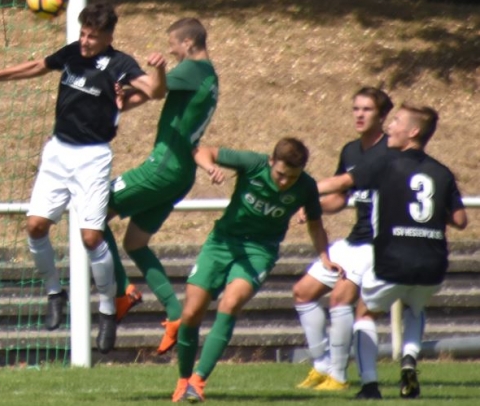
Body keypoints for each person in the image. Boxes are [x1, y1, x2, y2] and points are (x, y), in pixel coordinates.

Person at [0, 2, 165, 353]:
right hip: (58, 152)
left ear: (108, 37)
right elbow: (37, 66)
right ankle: (55, 293)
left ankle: (108, 308)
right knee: (35, 226)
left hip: (93, 158)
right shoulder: (73, 53)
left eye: (93, 36)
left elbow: (155, 91)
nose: (85, 41)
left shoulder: (120, 64)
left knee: (91, 237)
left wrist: (159, 71)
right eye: (83, 33)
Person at [171, 138, 342, 403]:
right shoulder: (253, 164)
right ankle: (183, 380)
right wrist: (210, 168)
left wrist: (324, 257)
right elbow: (203, 151)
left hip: (260, 251)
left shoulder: (306, 186)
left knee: (231, 303)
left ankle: (198, 381)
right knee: (191, 312)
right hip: (221, 242)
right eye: (281, 174)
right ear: (271, 161)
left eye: (292, 177)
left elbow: (315, 224)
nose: (285, 182)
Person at [318, 104, 467, 400]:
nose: (389, 126)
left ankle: (370, 385)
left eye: (396, 121)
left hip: (392, 260)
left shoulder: (385, 162)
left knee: (365, 313)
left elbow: (341, 183)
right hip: (433, 263)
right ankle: (409, 360)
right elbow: (461, 220)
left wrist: (295, 189)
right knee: (415, 308)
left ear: (413, 132)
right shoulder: (442, 172)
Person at [103, 17, 219, 355]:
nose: (172, 51)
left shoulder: (193, 69)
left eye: (173, 46)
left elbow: (156, 88)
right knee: (135, 243)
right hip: (181, 174)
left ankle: (123, 290)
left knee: (92, 210)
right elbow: (155, 91)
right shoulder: (210, 76)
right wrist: (128, 94)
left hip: (162, 168)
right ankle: (174, 313)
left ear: (188, 44)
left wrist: (126, 82)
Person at [293, 87, 393, 390]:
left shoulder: (389, 150)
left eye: (367, 109)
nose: (359, 115)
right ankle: (321, 366)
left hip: (378, 244)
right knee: (302, 292)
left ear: (382, 116)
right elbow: (341, 196)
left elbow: (342, 181)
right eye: (356, 109)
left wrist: (302, 190)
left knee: (340, 297)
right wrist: (316, 206)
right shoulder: (350, 150)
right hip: (354, 240)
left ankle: (338, 375)